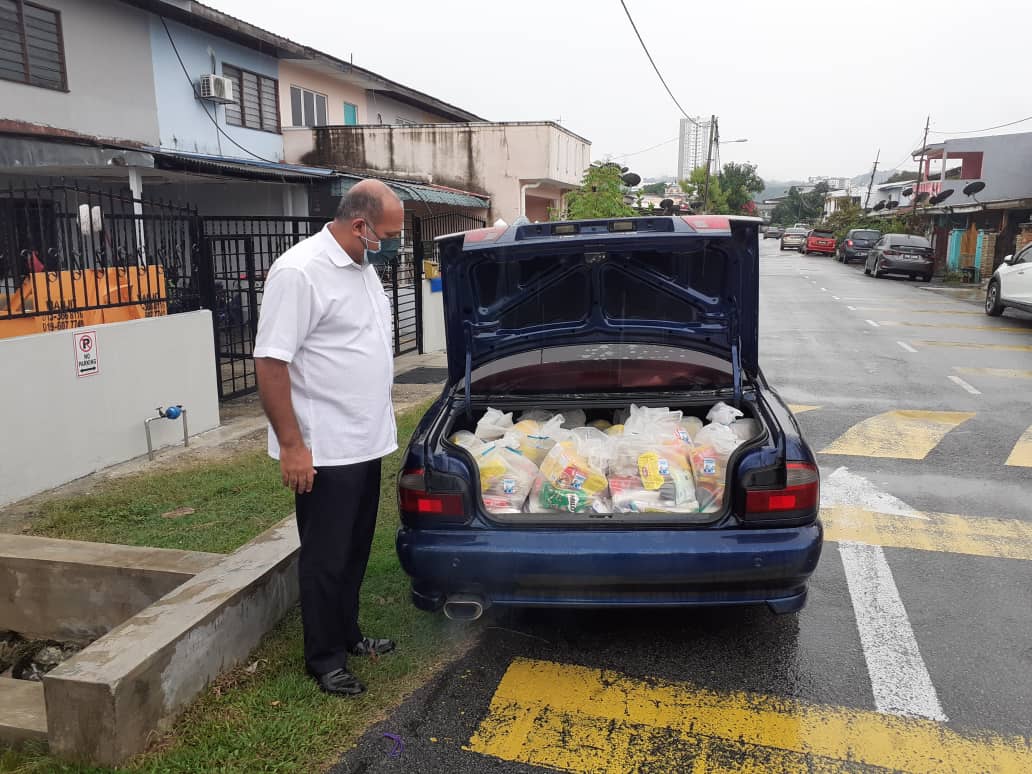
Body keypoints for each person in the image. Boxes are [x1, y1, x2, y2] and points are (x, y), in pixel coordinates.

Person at [253, 179, 403, 697]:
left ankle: (349, 634)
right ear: (360, 225)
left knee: (356, 549)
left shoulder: (361, 268)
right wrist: (293, 446)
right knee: (325, 556)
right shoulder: (299, 271)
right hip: (325, 446)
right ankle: (324, 658)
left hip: (365, 440)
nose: (393, 244)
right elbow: (271, 362)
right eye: (388, 234)